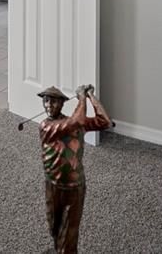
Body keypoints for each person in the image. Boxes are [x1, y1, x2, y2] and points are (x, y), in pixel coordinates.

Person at [38, 84, 113, 254]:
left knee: (69, 232)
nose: (49, 105)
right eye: (46, 100)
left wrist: (90, 97)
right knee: (54, 226)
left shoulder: (75, 123)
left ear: (62, 104)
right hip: (52, 183)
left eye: (54, 102)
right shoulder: (45, 126)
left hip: (73, 186)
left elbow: (105, 121)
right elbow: (75, 122)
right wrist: (81, 98)